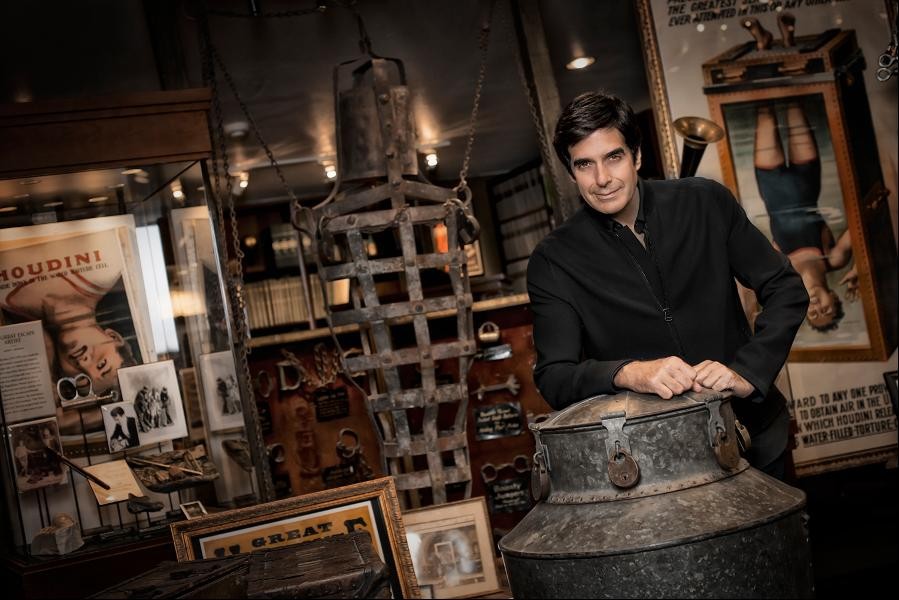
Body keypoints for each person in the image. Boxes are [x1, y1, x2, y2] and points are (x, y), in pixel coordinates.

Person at [527, 91, 809, 478]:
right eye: (585, 164)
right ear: (571, 172)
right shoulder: (552, 259)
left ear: (637, 156)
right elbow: (554, 376)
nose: (602, 179)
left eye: (614, 157)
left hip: (756, 436)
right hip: (653, 468)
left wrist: (747, 372)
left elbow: (786, 289)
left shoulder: (706, 201)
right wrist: (627, 373)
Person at [752, 100, 857, 332]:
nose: (818, 307)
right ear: (834, 297)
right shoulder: (834, 260)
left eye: (813, 313)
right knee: (793, 103)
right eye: (826, 310)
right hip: (807, 177)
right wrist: (862, 266)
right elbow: (861, 229)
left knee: (764, 111)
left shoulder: (781, 271)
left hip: (770, 183)